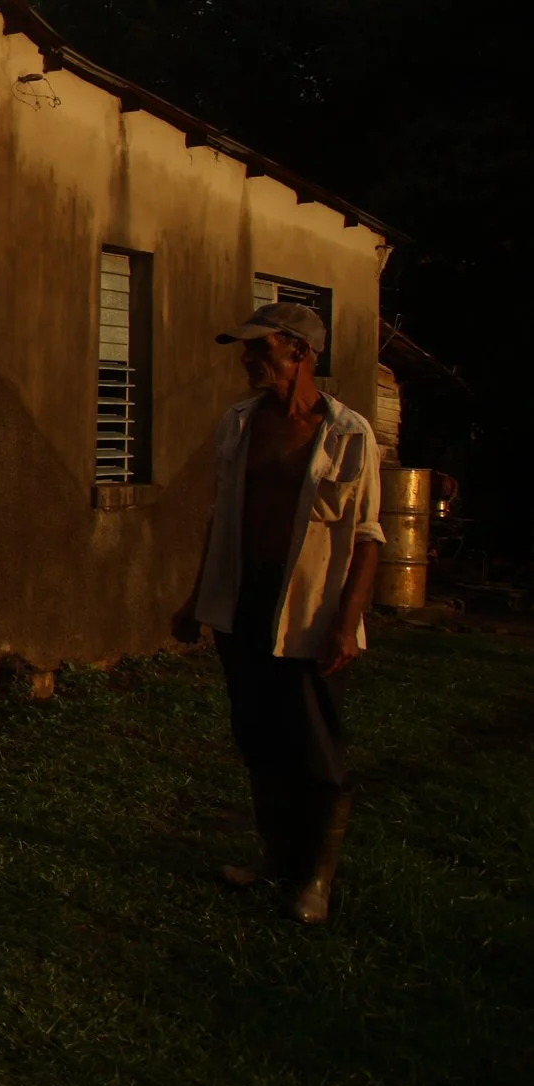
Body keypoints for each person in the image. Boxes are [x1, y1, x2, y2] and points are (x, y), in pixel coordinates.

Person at [172, 301, 383, 926]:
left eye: (259, 350)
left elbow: (368, 536)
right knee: (258, 738)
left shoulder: (348, 434)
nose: (248, 361)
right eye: (247, 351)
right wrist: (195, 599)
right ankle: (275, 856)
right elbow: (223, 516)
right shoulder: (239, 424)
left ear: (300, 352)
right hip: (243, 607)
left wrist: (346, 622)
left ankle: (314, 878)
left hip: (310, 614)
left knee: (314, 748)